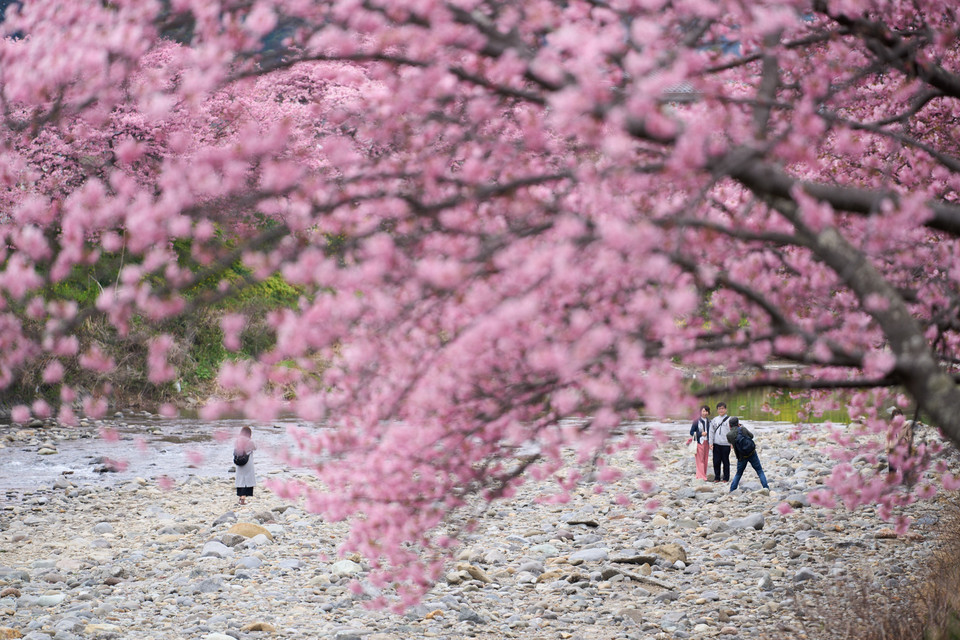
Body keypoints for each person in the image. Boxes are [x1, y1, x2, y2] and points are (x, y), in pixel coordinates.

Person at [727, 417, 769, 491]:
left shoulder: (729, 435)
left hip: (741, 456)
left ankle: (732, 489)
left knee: (739, 473)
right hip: (751, 453)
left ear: (729, 425)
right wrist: (741, 427)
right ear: (738, 423)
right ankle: (766, 488)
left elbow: (731, 443)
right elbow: (751, 436)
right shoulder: (743, 429)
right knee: (759, 471)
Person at [709, 401, 732, 482]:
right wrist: (710, 443)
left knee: (725, 461)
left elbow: (732, 432)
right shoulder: (714, 420)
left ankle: (726, 478)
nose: (721, 410)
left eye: (722, 409)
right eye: (719, 409)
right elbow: (711, 432)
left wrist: (732, 443)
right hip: (716, 444)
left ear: (725, 409)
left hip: (726, 444)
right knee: (716, 461)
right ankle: (717, 477)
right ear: (717, 410)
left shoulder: (730, 420)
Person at [234, 425, 257, 505]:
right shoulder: (250, 441)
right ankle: (243, 499)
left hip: (238, 462)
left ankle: (240, 496)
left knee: (240, 479)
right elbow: (255, 447)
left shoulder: (237, 440)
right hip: (247, 462)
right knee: (247, 480)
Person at [690, 404, 711, 480]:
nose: (705, 413)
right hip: (699, 442)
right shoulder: (696, 421)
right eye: (703, 411)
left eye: (706, 411)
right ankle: (701, 476)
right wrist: (701, 434)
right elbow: (691, 432)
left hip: (707, 442)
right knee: (700, 460)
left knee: (705, 459)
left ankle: (703, 474)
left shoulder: (709, 421)